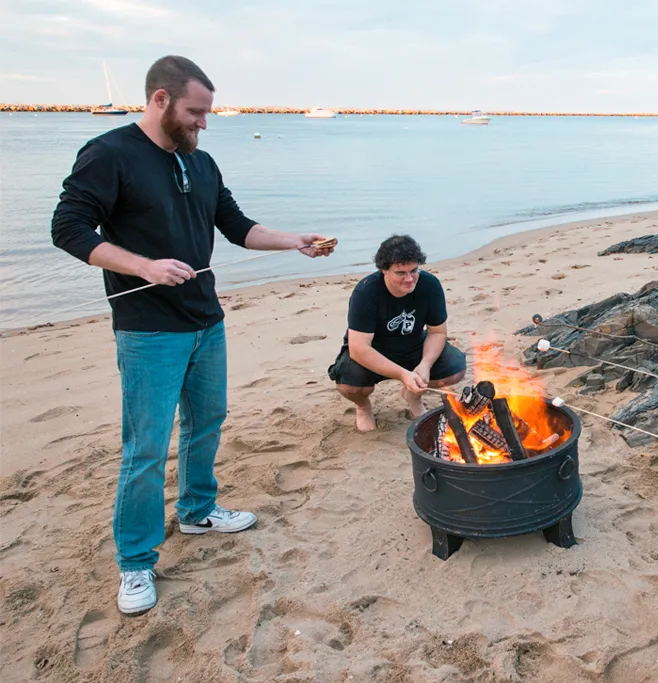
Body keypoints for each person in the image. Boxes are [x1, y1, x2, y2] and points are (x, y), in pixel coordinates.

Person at [50, 55, 335, 615]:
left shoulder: (200, 163)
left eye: (206, 112)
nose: (205, 122)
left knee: (207, 422)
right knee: (147, 447)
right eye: (196, 112)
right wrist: (144, 266)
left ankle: (199, 511)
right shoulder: (109, 154)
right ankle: (135, 561)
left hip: (207, 322)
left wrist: (294, 241)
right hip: (148, 329)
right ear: (160, 100)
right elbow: (68, 229)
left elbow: (237, 227)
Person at [328, 235, 466, 431]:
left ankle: (413, 396)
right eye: (400, 273)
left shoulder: (429, 285)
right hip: (373, 351)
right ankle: (363, 407)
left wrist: (425, 365)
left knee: (455, 369)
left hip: (414, 345)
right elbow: (359, 349)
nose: (409, 279)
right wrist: (402, 375)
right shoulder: (366, 292)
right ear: (384, 270)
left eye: (414, 270)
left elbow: (437, 332)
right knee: (350, 385)